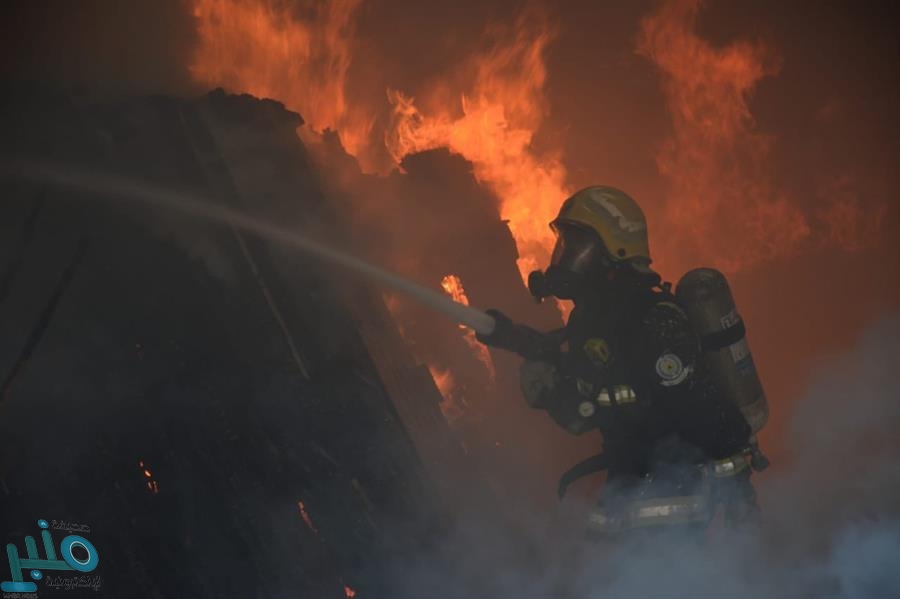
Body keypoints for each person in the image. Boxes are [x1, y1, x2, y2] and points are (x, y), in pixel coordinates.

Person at [477, 186, 761, 535]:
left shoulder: (653, 319)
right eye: (565, 244)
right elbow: (579, 379)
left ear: (613, 250)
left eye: (577, 246)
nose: (565, 256)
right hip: (631, 490)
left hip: (675, 500)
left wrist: (737, 495)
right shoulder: (593, 319)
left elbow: (700, 408)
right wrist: (514, 339)